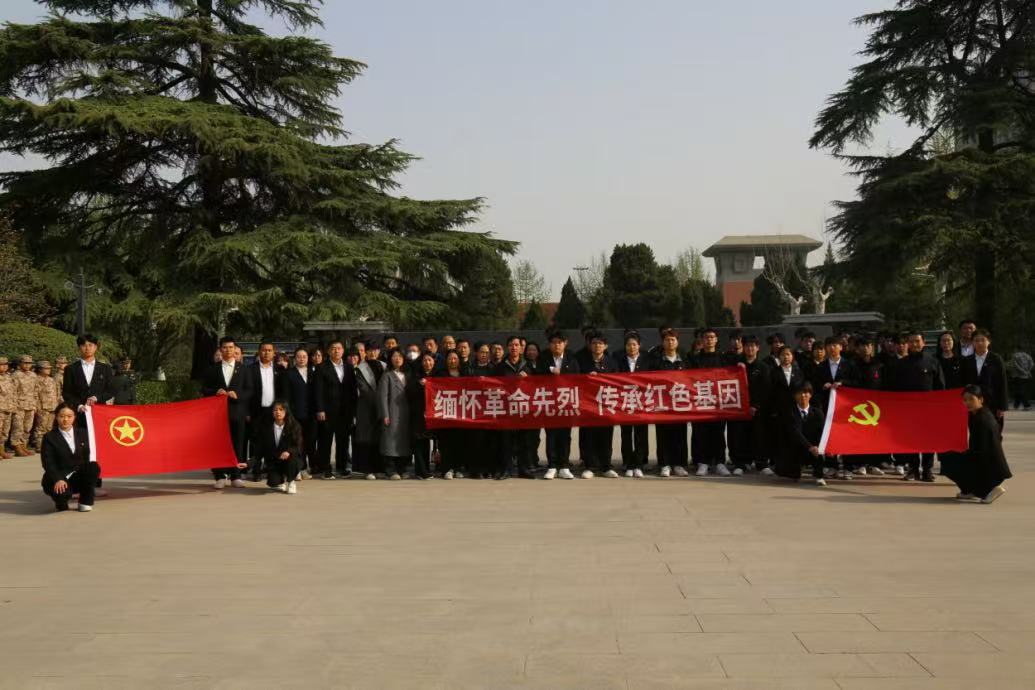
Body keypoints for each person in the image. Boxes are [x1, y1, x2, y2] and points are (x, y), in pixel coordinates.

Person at [889, 331, 945, 482]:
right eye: (911, 341)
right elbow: (894, 387)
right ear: (908, 344)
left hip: (929, 409)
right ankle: (913, 469)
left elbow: (940, 386)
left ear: (923, 343)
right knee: (910, 440)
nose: (914, 344)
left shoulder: (932, 362)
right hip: (908, 409)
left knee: (928, 440)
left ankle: (927, 470)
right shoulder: (901, 364)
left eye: (917, 341)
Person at [940, 385, 1011, 504]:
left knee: (949, 460)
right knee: (948, 457)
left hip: (989, 464)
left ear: (980, 399)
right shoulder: (976, 414)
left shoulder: (983, 419)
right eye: (965, 400)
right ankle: (970, 490)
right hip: (981, 456)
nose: (967, 402)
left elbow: (984, 449)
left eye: (971, 399)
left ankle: (989, 490)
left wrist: (965, 456)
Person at [201, 336, 252, 488]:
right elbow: (204, 389)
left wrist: (238, 395)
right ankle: (220, 476)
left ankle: (236, 475)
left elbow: (250, 390)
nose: (228, 350)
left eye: (231, 347)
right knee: (218, 444)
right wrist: (215, 392)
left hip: (237, 413)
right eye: (225, 347)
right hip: (217, 415)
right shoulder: (212, 369)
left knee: (238, 444)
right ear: (220, 349)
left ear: (235, 349)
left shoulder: (244, 369)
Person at [40, 402, 100, 512]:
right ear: (56, 417)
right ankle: (61, 502)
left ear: (74, 417)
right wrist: (58, 479)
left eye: (69, 416)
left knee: (93, 467)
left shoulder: (83, 433)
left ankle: (85, 502)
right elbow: (48, 462)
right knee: (62, 496)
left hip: (77, 474)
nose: (65, 420)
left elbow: (88, 456)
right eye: (62, 416)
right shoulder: (49, 437)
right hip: (59, 477)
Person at [538, 329, 580, 480]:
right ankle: (552, 466)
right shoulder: (543, 358)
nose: (556, 345)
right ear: (549, 344)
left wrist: (561, 374)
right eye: (553, 342)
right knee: (551, 435)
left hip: (566, 403)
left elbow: (577, 378)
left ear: (565, 343)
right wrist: (550, 370)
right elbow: (537, 375)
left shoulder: (572, 359)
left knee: (565, 435)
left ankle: (564, 466)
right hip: (549, 402)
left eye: (559, 342)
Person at [314, 340, 357, 480]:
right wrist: (320, 409)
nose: (336, 351)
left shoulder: (349, 367)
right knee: (325, 441)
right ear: (328, 351)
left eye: (339, 348)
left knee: (343, 440)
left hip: (345, 411)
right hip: (327, 411)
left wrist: (353, 410)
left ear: (343, 351)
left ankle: (341, 467)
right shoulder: (321, 367)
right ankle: (325, 468)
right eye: (333, 348)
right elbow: (318, 390)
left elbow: (352, 390)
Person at [690, 328, 730, 477]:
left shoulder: (724, 358)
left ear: (716, 339)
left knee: (718, 433)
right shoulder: (695, 359)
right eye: (706, 337)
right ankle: (703, 463)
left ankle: (720, 463)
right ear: (702, 340)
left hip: (718, 403)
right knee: (701, 434)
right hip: (700, 402)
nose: (709, 340)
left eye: (712, 337)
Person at [728, 335, 770, 476]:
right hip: (739, 408)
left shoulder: (763, 367)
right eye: (747, 345)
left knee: (759, 435)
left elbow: (765, 389)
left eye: (753, 346)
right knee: (740, 435)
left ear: (758, 348)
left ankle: (761, 464)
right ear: (743, 347)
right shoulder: (736, 365)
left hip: (757, 408)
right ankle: (740, 463)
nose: (750, 348)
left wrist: (755, 405)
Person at [495, 336, 535, 480]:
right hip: (506, 409)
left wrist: (527, 379)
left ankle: (524, 469)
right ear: (508, 347)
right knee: (506, 441)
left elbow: (537, 386)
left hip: (523, 408)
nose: (514, 348)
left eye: (517, 345)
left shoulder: (528, 365)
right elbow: (494, 384)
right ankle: (506, 469)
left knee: (524, 441)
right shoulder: (501, 366)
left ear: (521, 348)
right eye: (511, 345)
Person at [775, 382, 828, 486]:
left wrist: (818, 446)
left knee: (819, 451)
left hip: (813, 446)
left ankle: (819, 476)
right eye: (799, 393)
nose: (803, 395)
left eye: (805, 393)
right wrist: (809, 447)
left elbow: (822, 432)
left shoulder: (818, 412)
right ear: (795, 396)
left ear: (810, 395)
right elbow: (794, 432)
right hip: (796, 445)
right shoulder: (789, 412)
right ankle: (794, 471)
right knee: (791, 471)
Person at [581, 330, 617, 478]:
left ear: (605, 346)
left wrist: (603, 378)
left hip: (606, 405)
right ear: (590, 345)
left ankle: (606, 466)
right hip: (588, 405)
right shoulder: (582, 362)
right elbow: (574, 381)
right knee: (589, 436)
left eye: (600, 343)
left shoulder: (612, 363)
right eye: (594, 343)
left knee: (606, 436)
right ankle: (590, 466)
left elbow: (618, 382)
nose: (597, 346)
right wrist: (586, 378)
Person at [653, 328, 689, 478]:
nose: (670, 342)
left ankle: (679, 464)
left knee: (680, 435)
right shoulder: (656, 362)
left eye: (673, 339)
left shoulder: (685, 361)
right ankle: (665, 464)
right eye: (667, 340)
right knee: (663, 435)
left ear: (677, 342)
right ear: (662, 343)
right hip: (662, 405)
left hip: (680, 404)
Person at [615, 330, 650, 478]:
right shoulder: (619, 361)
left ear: (639, 346)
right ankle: (628, 464)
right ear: (625, 347)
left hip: (642, 403)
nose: (631, 347)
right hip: (625, 403)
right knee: (626, 434)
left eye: (634, 344)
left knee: (641, 435)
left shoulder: (647, 361)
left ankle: (639, 464)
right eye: (629, 345)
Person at [378, 348, 415, 481]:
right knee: (390, 442)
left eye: (400, 356)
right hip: (392, 413)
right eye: (394, 356)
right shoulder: (387, 375)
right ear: (390, 359)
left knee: (404, 442)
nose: (397, 358)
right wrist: (385, 414)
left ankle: (403, 468)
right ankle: (390, 470)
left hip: (406, 414)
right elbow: (382, 397)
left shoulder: (408, 375)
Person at [246, 342, 281, 481]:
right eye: (264, 350)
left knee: (272, 440)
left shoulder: (279, 369)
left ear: (274, 353)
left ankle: (271, 469)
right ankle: (256, 470)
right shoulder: (250, 369)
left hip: (274, 411)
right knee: (256, 441)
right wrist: (247, 412)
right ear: (259, 352)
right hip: (256, 411)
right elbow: (247, 392)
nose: (266, 353)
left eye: (269, 350)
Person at [961, 329, 1008, 430]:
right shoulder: (967, 361)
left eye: (983, 340)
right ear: (972, 342)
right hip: (973, 403)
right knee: (975, 431)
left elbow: (1003, 382)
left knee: (994, 431)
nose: (979, 343)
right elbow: (964, 382)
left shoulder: (996, 359)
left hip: (993, 403)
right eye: (976, 340)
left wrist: (1002, 406)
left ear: (989, 341)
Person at [283, 347, 317, 479]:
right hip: (295, 414)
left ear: (308, 358)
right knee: (297, 442)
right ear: (294, 358)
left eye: (304, 356)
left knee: (310, 441)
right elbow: (286, 395)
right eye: (299, 356)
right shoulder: (289, 374)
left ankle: (306, 468)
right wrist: (288, 413)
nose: (301, 359)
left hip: (311, 414)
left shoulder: (313, 372)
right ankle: (297, 469)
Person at [257, 400, 303, 494]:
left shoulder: (294, 426)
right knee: (273, 482)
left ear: (286, 411)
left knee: (292, 459)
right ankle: (280, 481)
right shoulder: (267, 427)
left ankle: (291, 481)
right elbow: (261, 448)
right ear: (272, 412)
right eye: (275, 410)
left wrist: (288, 451)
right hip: (275, 460)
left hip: (290, 458)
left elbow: (298, 446)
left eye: (281, 409)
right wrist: (248, 463)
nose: (278, 412)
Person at [353, 342, 384, 479]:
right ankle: (368, 469)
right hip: (366, 407)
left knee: (380, 437)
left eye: (375, 350)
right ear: (365, 352)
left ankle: (379, 468)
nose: (372, 353)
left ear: (379, 352)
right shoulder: (360, 368)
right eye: (370, 350)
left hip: (382, 406)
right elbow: (363, 388)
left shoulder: (384, 366)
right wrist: (380, 398)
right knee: (367, 437)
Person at [437, 351, 467, 480]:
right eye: (450, 358)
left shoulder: (465, 374)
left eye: (455, 358)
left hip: (461, 412)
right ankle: (446, 469)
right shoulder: (440, 374)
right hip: (446, 412)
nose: (453, 361)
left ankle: (458, 467)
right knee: (446, 442)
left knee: (460, 442)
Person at [412, 352, 437, 480]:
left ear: (434, 362)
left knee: (427, 442)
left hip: (434, 414)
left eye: (430, 360)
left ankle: (426, 469)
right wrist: (420, 385)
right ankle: (420, 471)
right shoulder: (416, 376)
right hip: (419, 413)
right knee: (419, 441)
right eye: (425, 360)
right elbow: (410, 392)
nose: (427, 363)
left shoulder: (438, 376)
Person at [10, 355, 38, 457]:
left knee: (27, 427)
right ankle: (16, 446)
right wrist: (13, 405)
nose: (27, 365)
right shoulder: (15, 375)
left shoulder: (33, 375)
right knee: (18, 427)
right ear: (20, 364)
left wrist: (35, 404)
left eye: (29, 363)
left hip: (30, 405)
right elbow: (12, 391)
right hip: (19, 405)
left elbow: (36, 390)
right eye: (25, 363)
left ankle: (23, 445)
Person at [31, 361, 61, 452]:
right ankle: (39, 445)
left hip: (53, 406)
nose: (48, 370)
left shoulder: (51, 379)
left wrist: (57, 404)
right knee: (41, 427)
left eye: (49, 368)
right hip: (43, 407)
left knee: (49, 427)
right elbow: (35, 394)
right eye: (46, 368)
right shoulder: (36, 379)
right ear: (40, 369)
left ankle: (48, 444)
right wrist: (37, 406)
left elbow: (57, 393)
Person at [0, 357, 16, 459]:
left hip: (8, 407)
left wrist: (13, 405)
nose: (5, 366)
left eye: (6, 364)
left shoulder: (9, 377)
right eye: (2, 364)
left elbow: (13, 392)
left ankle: (1, 450)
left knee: (5, 431)